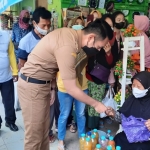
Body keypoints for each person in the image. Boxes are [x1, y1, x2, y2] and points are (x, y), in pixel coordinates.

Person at [17, 19, 113, 150]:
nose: (98, 50)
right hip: (33, 86)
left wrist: (51, 88)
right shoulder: (68, 45)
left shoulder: (71, 36)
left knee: (43, 133)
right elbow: (71, 88)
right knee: (34, 137)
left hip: (41, 85)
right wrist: (96, 104)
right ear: (91, 38)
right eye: (99, 47)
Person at [17, 7, 55, 143]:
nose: (46, 28)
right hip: (32, 86)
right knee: (34, 128)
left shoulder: (50, 39)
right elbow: (22, 66)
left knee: (45, 121)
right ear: (34, 24)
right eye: (43, 25)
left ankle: (47, 133)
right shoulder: (25, 41)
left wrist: (52, 88)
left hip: (47, 85)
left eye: (49, 25)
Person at [57, 16, 88, 150]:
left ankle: (82, 137)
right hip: (65, 87)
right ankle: (61, 140)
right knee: (64, 114)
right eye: (76, 25)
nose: (79, 28)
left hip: (82, 86)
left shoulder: (87, 46)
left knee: (81, 114)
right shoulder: (63, 45)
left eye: (81, 25)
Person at [86, 14, 118, 129]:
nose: (108, 28)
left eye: (110, 26)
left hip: (99, 78)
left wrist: (108, 53)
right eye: (106, 25)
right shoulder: (93, 37)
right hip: (86, 75)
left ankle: (92, 128)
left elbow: (113, 63)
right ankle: (82, 126)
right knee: (84, 103)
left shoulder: (113, 41)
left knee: (95, 104)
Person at [106, 71, 150, 150]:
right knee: (117, 139)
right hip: (130, 134)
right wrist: (113, 114)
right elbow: (122, 118)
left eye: (138, 86)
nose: (135, 88)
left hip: (146, 140)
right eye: (133, 85)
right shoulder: (132, 99)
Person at [0, 30, 18, 131]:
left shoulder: (6, 35)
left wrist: (15, 71)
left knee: (9, 101)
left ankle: (10, 121)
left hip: (6, 77)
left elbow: (11, 54)